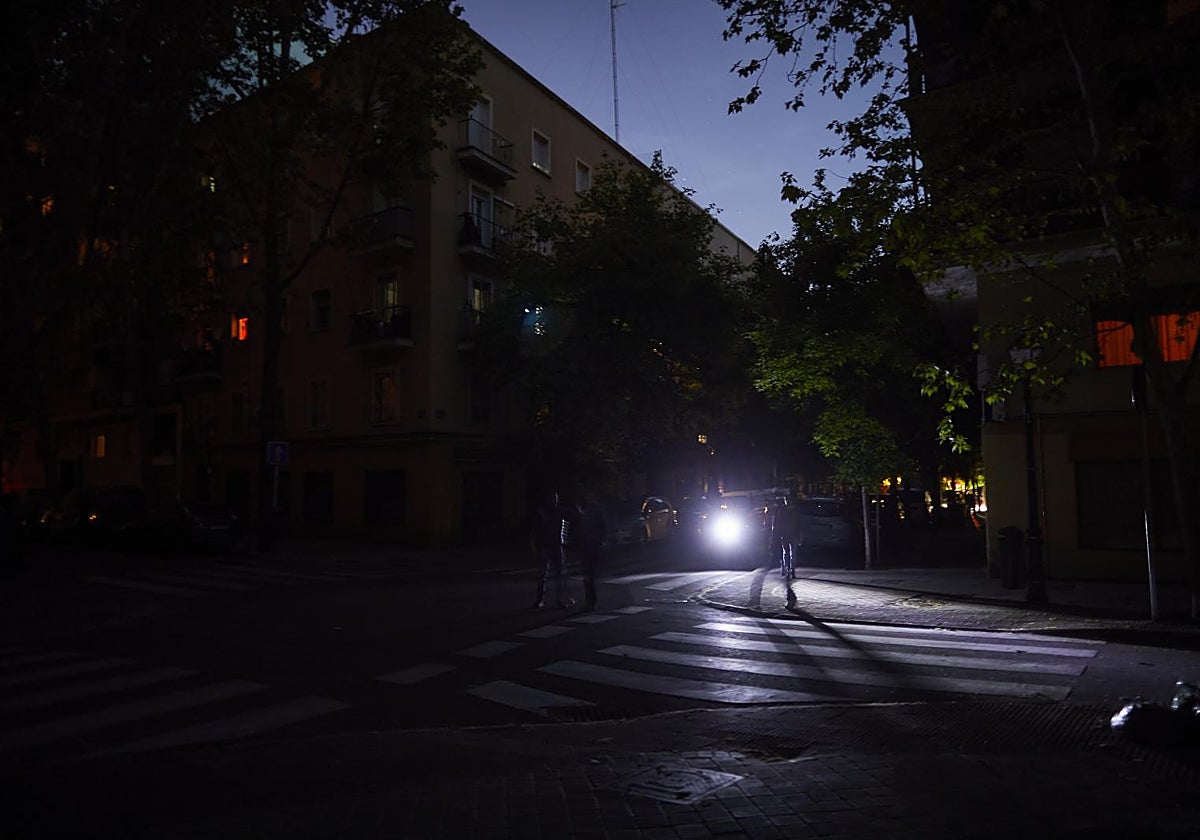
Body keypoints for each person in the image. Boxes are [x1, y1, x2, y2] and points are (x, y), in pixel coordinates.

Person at [531, 490, 571, 609]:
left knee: (555, 574)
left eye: (555, 499)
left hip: (555, 546)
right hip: (546, 546)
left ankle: (556, 599)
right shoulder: (543, 513)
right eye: (553, 499)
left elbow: (566, 524)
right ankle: (542, 599)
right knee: (545, 575)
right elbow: (535, 531)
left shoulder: (558, 512)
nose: (554, 501)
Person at [573, 491, 608, 611]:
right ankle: (590, 601)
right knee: (588, 576)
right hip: (587, 546)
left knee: (589, 576)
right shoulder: (586, 511)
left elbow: (602, 529)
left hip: (592, 547)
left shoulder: (594, 511)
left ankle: (591, 601)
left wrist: (597, 542)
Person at [771, 492, 802, 581]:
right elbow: (798, 523)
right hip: (788, 535)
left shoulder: (782, 510)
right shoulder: (791, 511)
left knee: (788, 553)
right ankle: (790, 569)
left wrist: (776, 535)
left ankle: (788, 569)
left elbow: (776, 524)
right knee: (791, 553)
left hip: (787, 535)